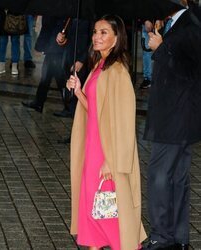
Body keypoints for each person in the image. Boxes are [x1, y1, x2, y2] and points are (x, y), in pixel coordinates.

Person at [67, 15, 146, 250]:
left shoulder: (118, 72)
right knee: (93, 215)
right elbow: (97, 111)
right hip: (91, 151)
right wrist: (80, 92)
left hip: (107, 154)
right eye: (94, 32)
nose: (96, 37)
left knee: (112, 218)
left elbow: (123, 121)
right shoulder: (99, 67)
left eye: (103, 32)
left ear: (116, 38)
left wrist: (111, 161)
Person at [142, 0, 201, 249]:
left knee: (159, 176)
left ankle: (161, 236)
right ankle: (178, 238)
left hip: (176, 116)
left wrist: (161, 48)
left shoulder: (191, 26)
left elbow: (192, 72)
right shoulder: (179, 23)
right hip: (179, 116)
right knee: (177, 178)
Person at [22, 16, 68, 113]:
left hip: (55, 47)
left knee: (58, 79)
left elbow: (48, 27)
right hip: (54, 46)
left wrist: (39, 46)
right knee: (46, 76)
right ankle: (39, 102)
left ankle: (69, 106)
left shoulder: (54, 9)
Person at [140, 20, 153, 89]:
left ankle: (148, 79)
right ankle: (148, 78)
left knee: (147, 53)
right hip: (149, 21)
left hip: (151, 21)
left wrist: (147, 19)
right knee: (146, 53)